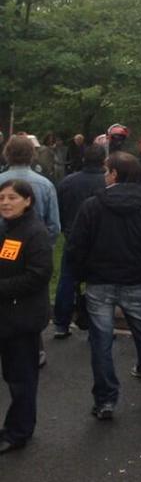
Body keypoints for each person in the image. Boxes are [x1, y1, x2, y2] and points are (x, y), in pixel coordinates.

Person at [67, 152, 141, 419]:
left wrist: (80, 276)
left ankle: (105, 400)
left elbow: (76, 247)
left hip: (99, 282)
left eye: (106, 170)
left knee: (101, 342)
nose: (104, 174)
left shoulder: (92, 206)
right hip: (136, 281)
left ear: (114, 174)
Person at [0, 180, 52, 454]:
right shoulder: (8, 229)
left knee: (22, 378)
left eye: (12, 198)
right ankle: (14, 425)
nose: (6, 203)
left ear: (27, 201)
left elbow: (39, 274)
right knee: (12, 375)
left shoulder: (34, 232)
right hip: (6, 317)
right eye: (2, 198)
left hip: (23, 318)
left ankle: (19, 432)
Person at [52, 143, 107, 338]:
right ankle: (98, 326)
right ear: (104, 161)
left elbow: (59, 209)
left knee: (67, 280)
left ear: (84, 159)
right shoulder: (107, 182)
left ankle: (61, 323)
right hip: (100, 241)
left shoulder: (68, 182)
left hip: (72, 237)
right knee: (99, 283)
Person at [0, 136, 61, 245]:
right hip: (35, 245)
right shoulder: (46, 185)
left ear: (7, 153)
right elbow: (54, 225)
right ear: (32, 154)